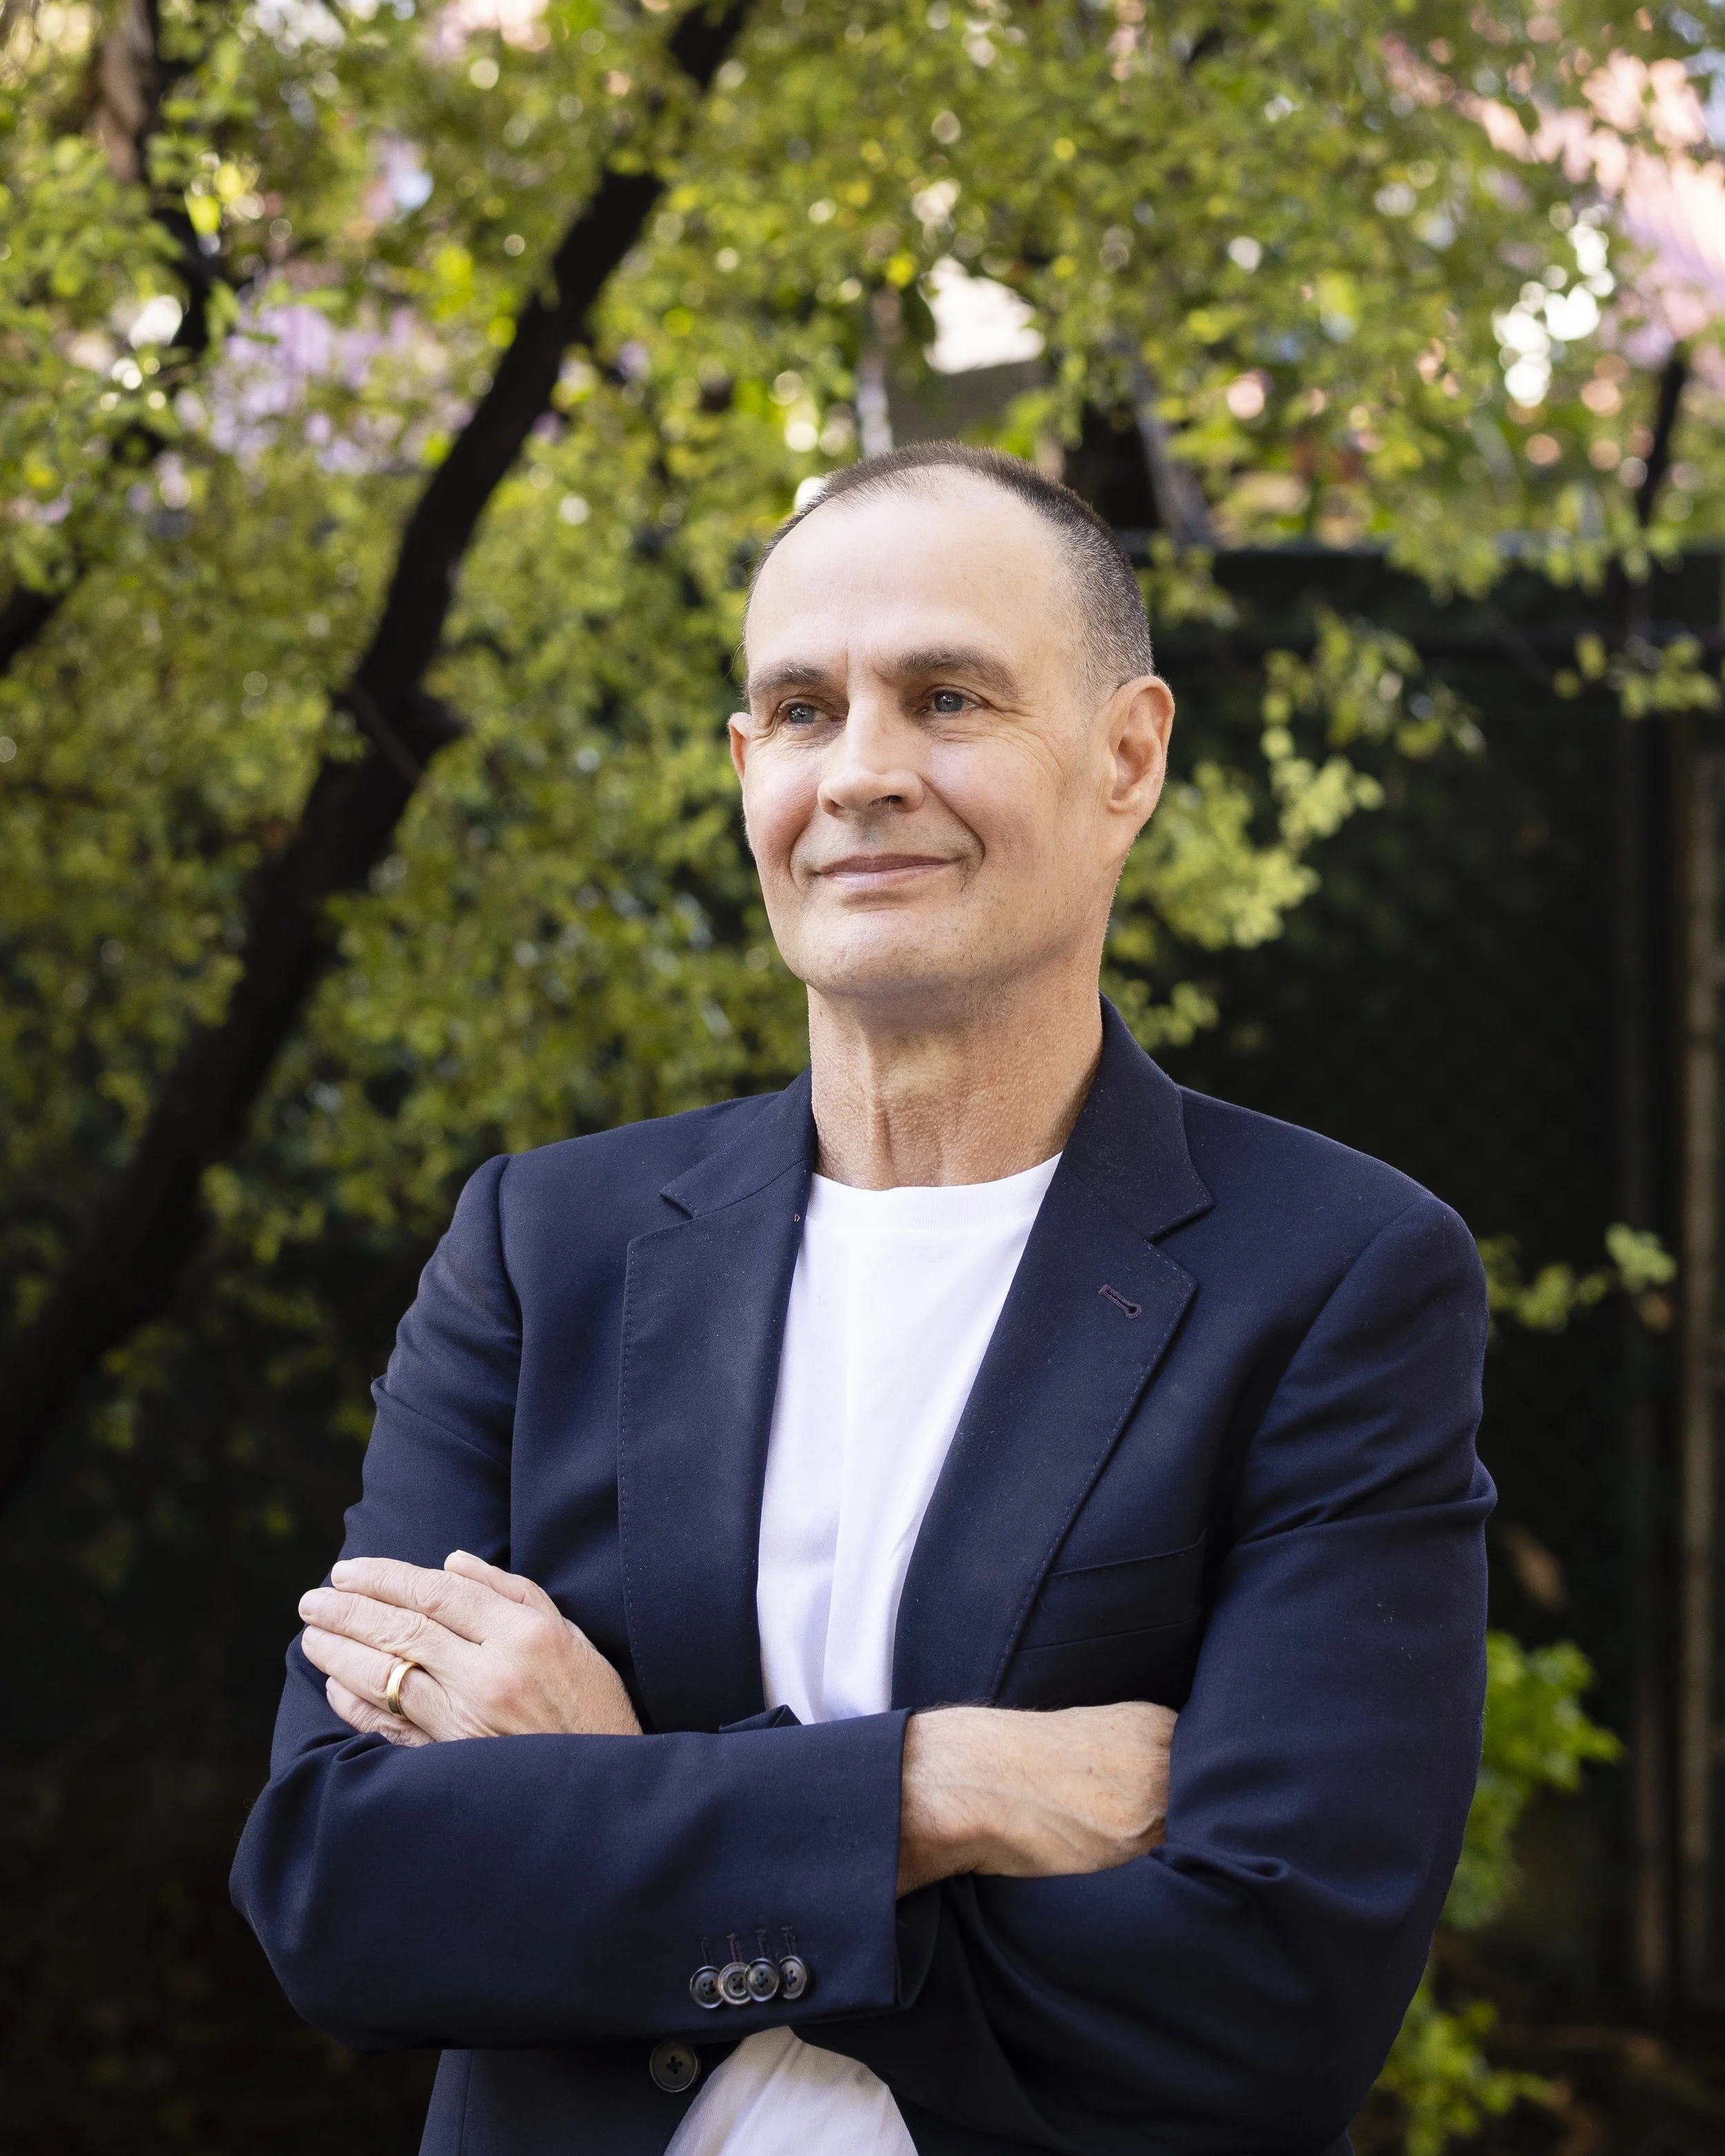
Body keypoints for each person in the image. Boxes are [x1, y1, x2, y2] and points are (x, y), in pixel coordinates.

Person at [233, 442, 1492, 2156]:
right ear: (748, 767)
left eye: (948, 696)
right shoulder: (548, 1247)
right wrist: (933, 1789)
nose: (865, 772)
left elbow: (1262, 1999)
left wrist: (615, 1795)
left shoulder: (1333, 1275)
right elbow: (343, 1889)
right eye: (805, 709)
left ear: (1128, 756)